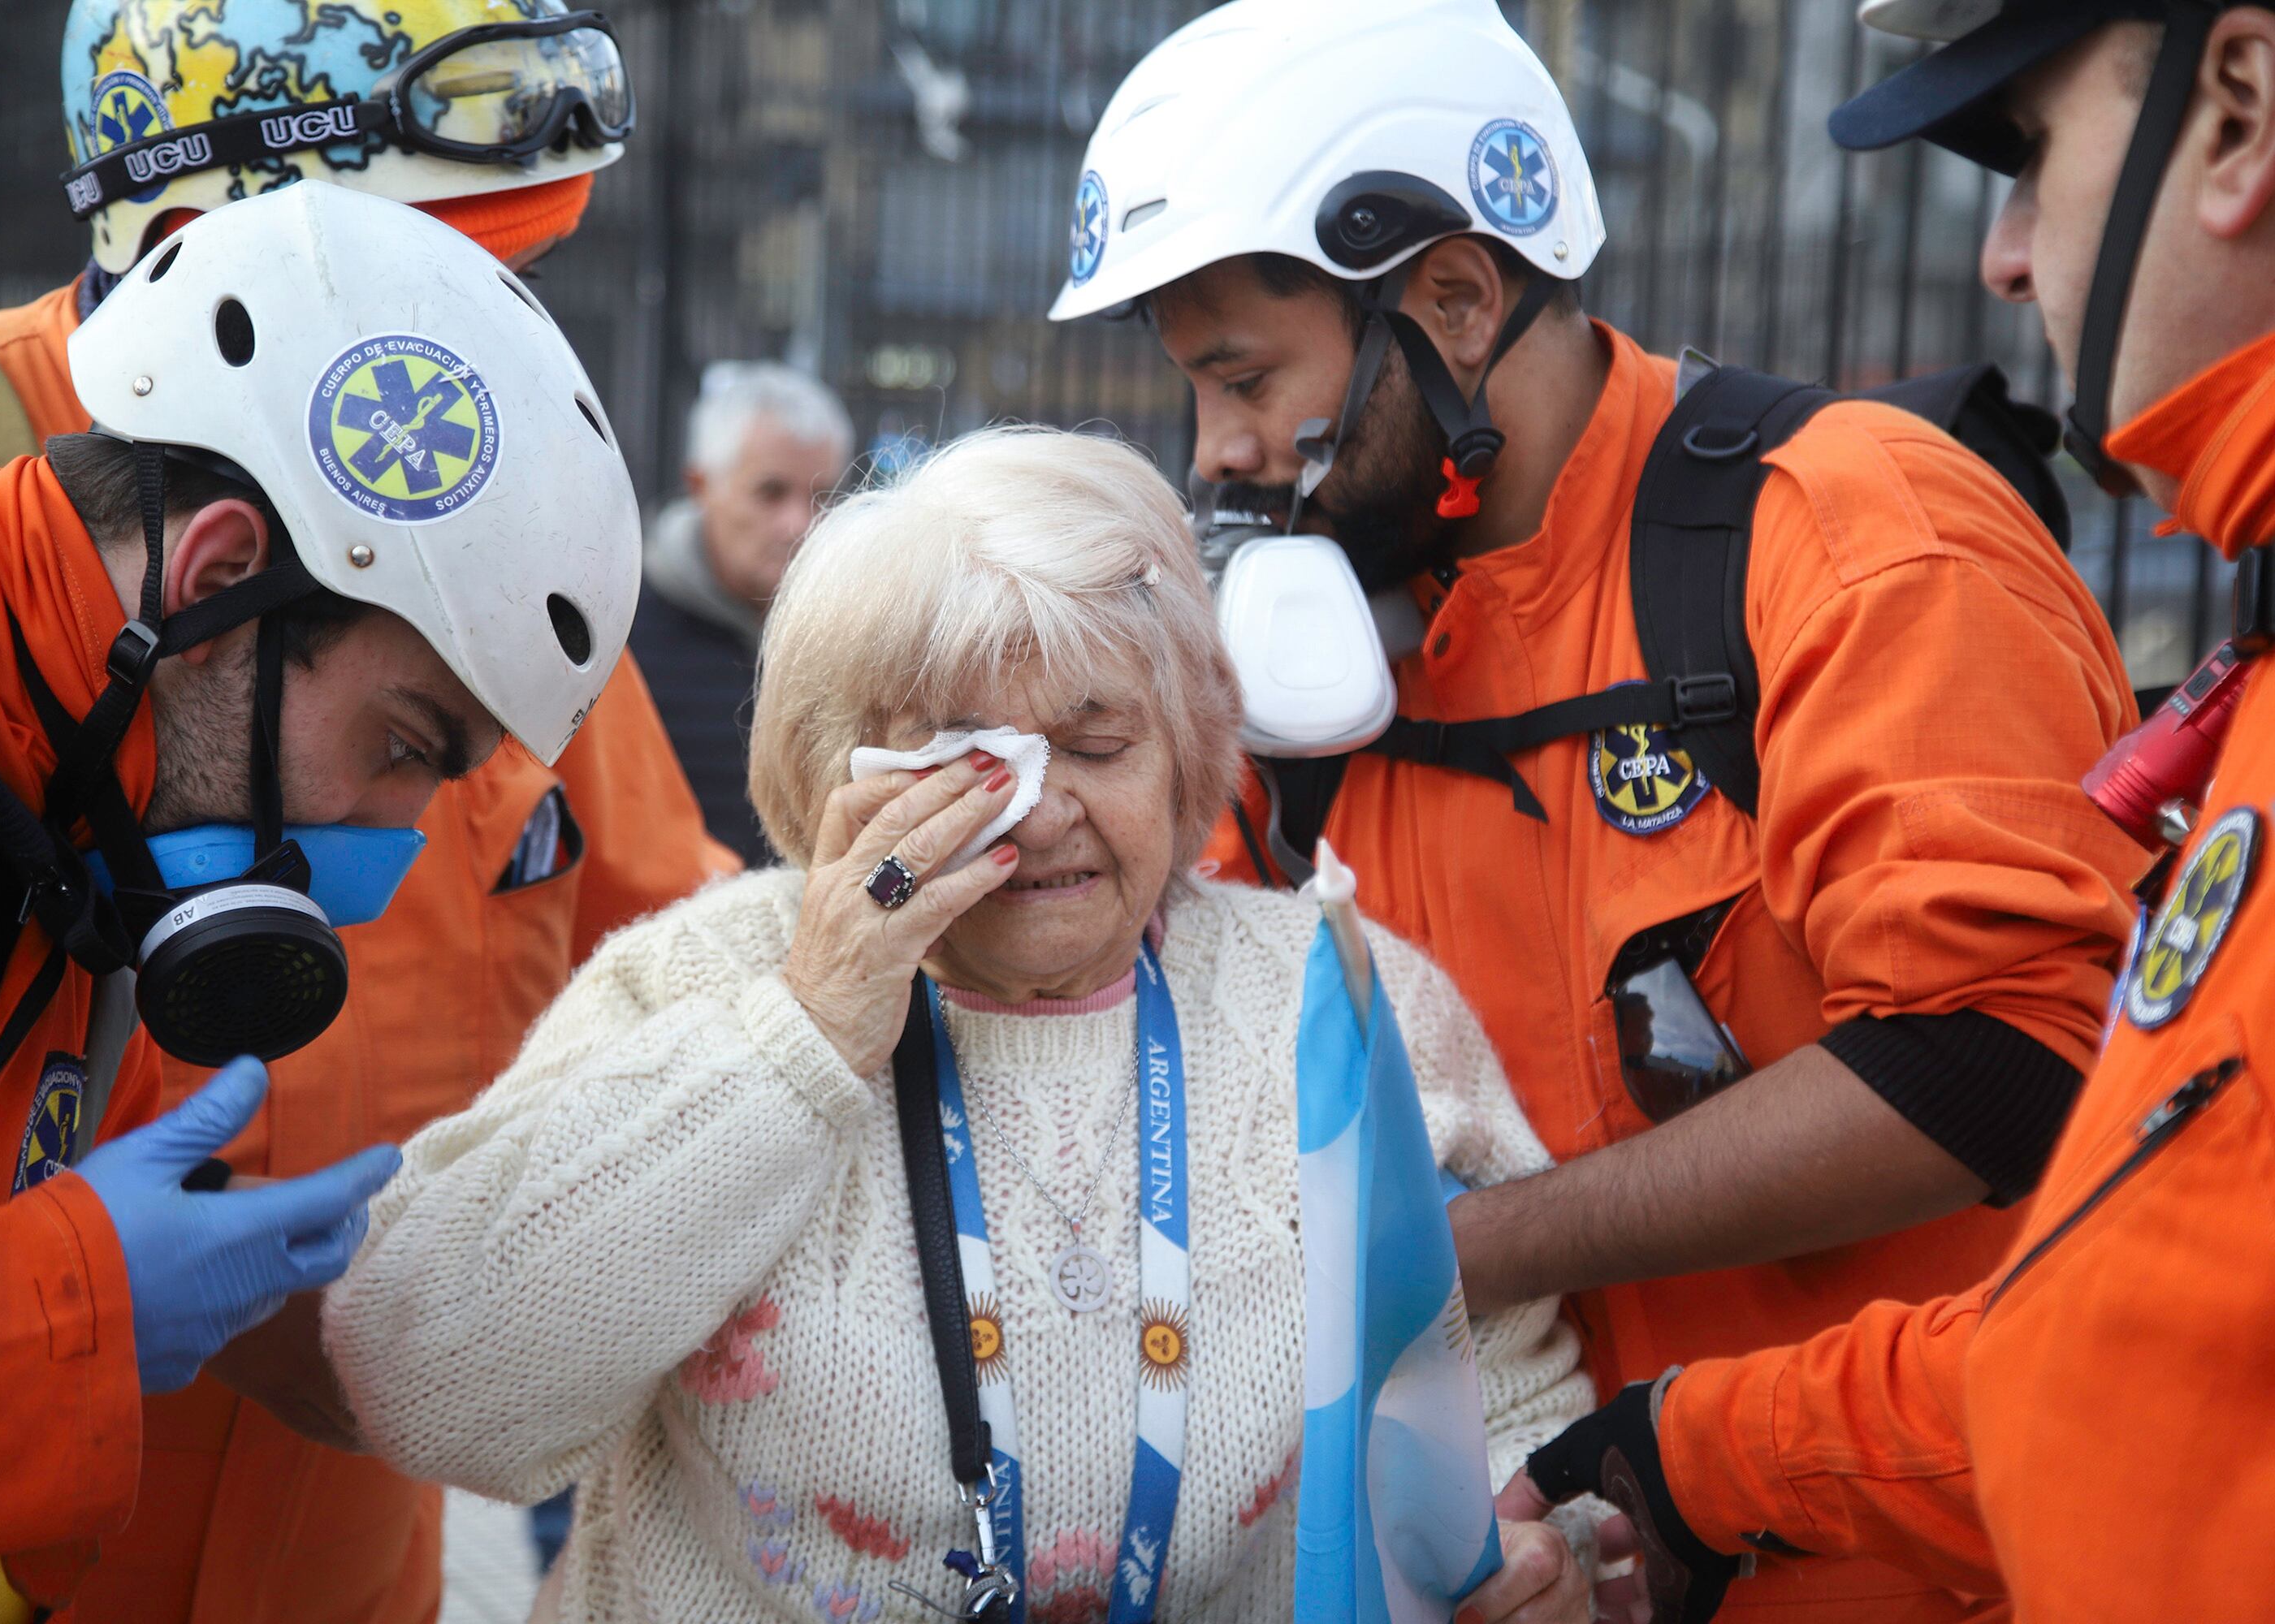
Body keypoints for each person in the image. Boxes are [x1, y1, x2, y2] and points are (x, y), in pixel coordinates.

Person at [1049, 2, 2148, 1616]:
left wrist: (1460, 1250)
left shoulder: (1851, 533)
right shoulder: (1319, 654)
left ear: (1456, 299)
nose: (1216, 454)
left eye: (1242, 379)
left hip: (1901, 1569)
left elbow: (1993, 1060)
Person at [326, 426, 1602, 1624]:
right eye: (970, 760)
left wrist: (1537, 1547)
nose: (1040, 814)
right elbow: (429, 1386)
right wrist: (809, 1030)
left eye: (1097, 745)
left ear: (1189, 751)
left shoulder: (1328, 993)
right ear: (838, 771)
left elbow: (1499, 1374)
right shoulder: (703, 979)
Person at [0, 5, 737, 1618]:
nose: (478, 342)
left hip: (322, 1549)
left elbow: (681, 940)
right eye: (422, 275)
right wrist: (72, 1309)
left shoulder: (441, 579)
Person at [1506, 4, 2275, 1620]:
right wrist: (1718, 1454)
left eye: (2032, 153)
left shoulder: (1841, 525)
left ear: (2243, 108)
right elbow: (2150, 1314)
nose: (2005, 255)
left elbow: (1998, 1076)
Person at [629, 361, 855, 862]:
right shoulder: (618, 632)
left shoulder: (855, 636)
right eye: (770, 492)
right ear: (700, 486)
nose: (800, 523)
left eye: (823, 496)